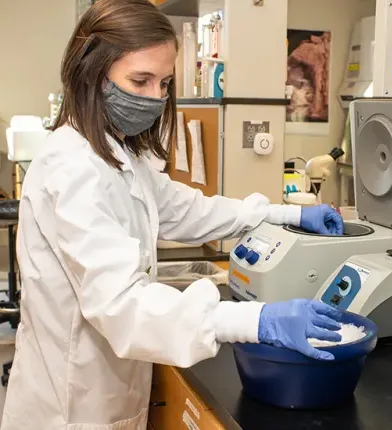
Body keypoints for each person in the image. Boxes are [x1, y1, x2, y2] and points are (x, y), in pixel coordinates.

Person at [1, 1, 344, 429]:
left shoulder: (116, 151)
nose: (155, 98)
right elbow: (124, 304)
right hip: (69, 407)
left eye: (163, 82)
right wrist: (256, 320)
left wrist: (282, 214)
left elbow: (186, 208)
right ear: (90, 72)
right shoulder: (72, 169)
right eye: (139, 80)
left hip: (105, 389)